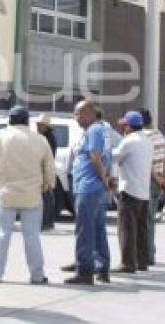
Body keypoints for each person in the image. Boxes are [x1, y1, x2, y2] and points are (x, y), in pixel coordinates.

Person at [0, 106, 55, 285]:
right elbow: (49, 168)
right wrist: (46, 185)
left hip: (6, 194)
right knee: (32, 237)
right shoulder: (40, 140)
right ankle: (37, 275)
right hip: (32, 196)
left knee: (2, 235)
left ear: (10, 120)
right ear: (27, 121)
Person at [64, 100, 111, 285]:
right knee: (97, 228)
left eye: (79, 113)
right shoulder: (101, 130)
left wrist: (104, 179)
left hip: (89, 186)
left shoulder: (94, 130)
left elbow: (95, 157)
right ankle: (102, 267)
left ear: (91, 113)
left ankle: (84, 271)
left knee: (84, 230)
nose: (76, 118)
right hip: (94, 186)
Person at [111, 111, 152, 273]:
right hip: (143, 190)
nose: (122, 128)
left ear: (129, 126)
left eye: (124, 125)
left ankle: (127, 263)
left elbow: (115, 157)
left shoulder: (128, 141)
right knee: (141, 228)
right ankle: (142, 261)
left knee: (127, 227)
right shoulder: (147, 140)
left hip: (129, 189)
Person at [139, 109, 165, 266]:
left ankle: (147, 256)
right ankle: (150, 253)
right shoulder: (159, 134)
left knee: (146, 221)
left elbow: (147, 160)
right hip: (157, 182)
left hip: (149, 181)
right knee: (151, 220)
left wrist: (156, 177)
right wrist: (163, 179)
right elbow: (164, 159)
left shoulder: (145, 137)